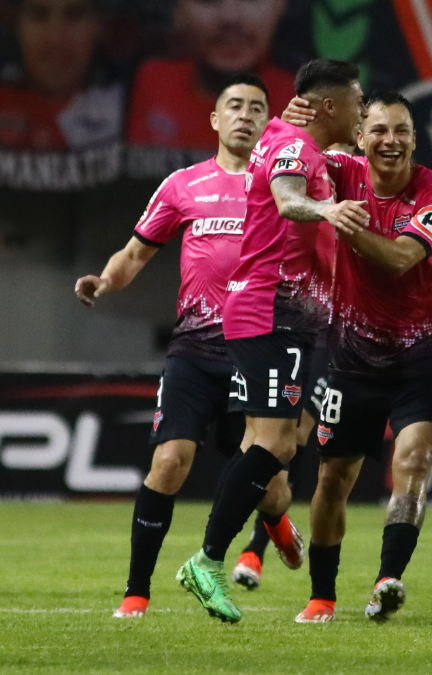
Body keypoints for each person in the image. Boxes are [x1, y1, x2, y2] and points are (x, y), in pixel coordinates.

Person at [73, 75, 304, 619]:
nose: (245, 115)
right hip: (195, 353)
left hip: (258, 349)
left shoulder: (286, 187)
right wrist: (104, 282)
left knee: (273, 489)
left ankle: (273, 521)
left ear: (269, 121)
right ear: (215, 121)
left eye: (256, 107)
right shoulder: (183, 185)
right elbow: (134, 254)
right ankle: (136, 592)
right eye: (234, 106)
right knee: (170, 461)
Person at [174, 59, 367, 624]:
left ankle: (249, 542)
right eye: (356, 101)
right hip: (270, 311)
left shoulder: (294, 140)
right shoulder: (297, 149)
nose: (362, 110)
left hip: (287, 316)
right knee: (278, 445)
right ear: (329, 105)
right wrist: (327, 208)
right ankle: (207, 561)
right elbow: (287, 200)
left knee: (269, 448)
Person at [281, 90, 432, 624]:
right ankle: (322, 596)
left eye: (402, 130)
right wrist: (287, 127)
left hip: (428, 350)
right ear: (359, 137)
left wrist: (344, 223)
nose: (391, 140)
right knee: (333, 477)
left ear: (415, 138)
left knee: (413, 459)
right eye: (379, 130)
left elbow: (401, 259)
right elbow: (279, 166)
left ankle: (388, 578)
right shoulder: (339, 170)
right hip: (354, 353)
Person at [125, 0, 292, 160]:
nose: (230, 17)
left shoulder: (304, 104)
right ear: (177, 9)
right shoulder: (154, 82)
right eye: (207, 0)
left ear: (281, 5)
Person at [0, 0, 122, 151]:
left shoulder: (129, 110)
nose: (55, 38)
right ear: (17, 25)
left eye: (74, 16)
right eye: (39, 15)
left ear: (98, 25)